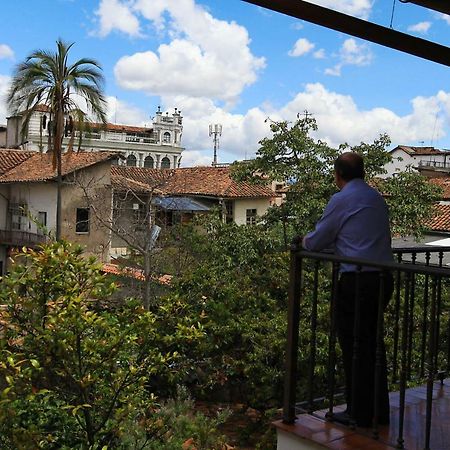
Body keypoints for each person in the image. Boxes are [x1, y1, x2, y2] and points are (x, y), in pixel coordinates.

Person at [303, 152, 394, 428]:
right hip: (382, 278)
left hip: (357, 280)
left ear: (337, 175)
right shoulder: (376, 198)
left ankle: (359, 413)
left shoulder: (341, 199)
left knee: (354, 345)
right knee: (372, 345)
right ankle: (379, 409)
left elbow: (318, 240)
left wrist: (303, 240)